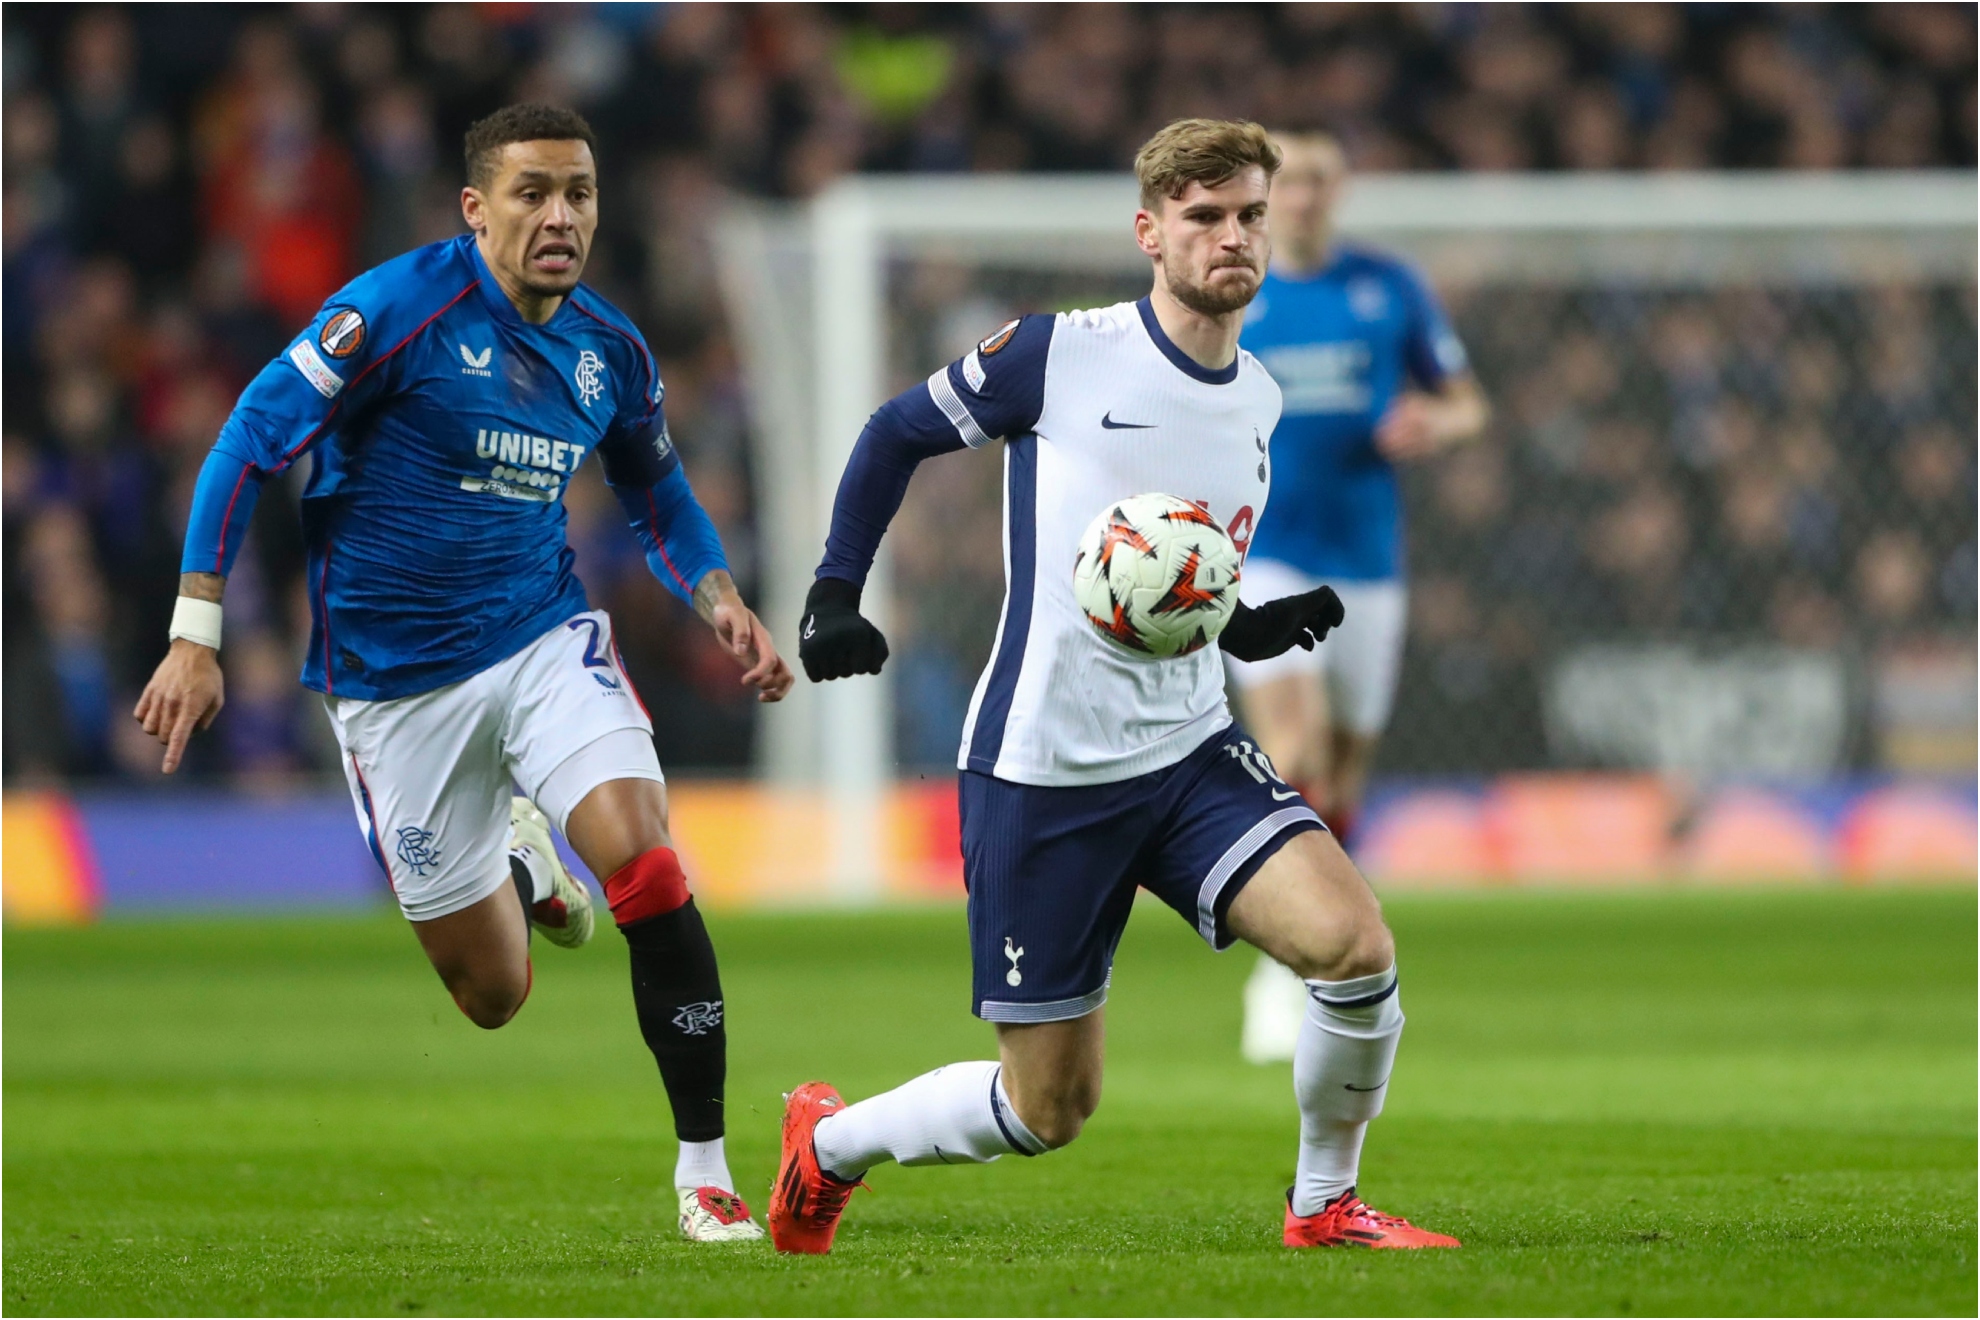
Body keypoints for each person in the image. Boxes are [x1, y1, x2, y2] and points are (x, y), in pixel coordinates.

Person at [774, 118, 1458, 1254]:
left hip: (1189, 752)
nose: (1231, 237)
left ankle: (1324, 1205)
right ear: (1151, 233)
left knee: (1355, 949)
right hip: (1045, 766)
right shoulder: (1060, 353)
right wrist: (835, 591)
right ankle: (830, 1146)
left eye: (1247, 215)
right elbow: (895, 432)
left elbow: (1164, 568)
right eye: (1203, 218)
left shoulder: (1259, 400)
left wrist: (1243, 624)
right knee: (1047, 1110)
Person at [132, 104, 792, 1244]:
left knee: (646, 863)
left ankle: (705, 1169)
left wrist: (719, 594)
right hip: (393, 691)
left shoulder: (610, 349)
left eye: (579, 193)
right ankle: (522, 859)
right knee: (494, 997)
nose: (561, 215)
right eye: (533, 192)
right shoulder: (395, 311)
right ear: (476, 209)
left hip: (539, 638)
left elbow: (655, 488)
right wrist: (196, 632)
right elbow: (248, 438)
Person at [1230, 131, 1490, 1064]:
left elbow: (1468, 401)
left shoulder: (1388, 287)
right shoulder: (1237, 287)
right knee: (1292, 750)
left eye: (1318, 182)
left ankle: (1320, 943)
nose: (1303, 198)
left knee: (1341, 775)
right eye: (1288, 182)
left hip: (1367, 560)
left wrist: (1436, 420)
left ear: (1339, 192)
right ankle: (1275, 968)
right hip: (1264, 557)